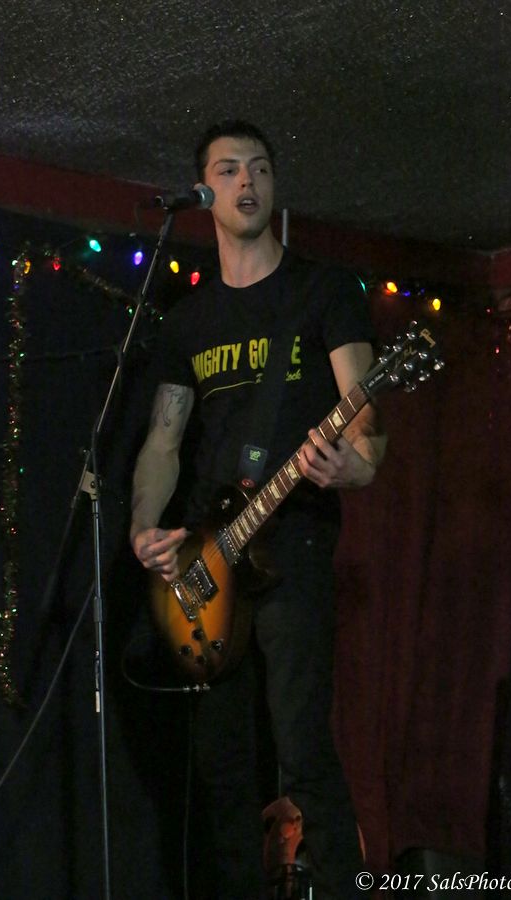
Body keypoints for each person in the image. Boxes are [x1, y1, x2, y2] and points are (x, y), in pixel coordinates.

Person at [130, 120, 386, 900]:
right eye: (230, 169)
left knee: (302, 745)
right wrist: (144, 527)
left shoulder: (323, 291)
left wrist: (356, 465)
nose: (248, 181)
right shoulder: (189, 321)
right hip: (209, 559)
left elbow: (366, 420)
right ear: (204, 190)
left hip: (294, 543)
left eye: (262, 168)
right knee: (220, 764)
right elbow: (163, 441)